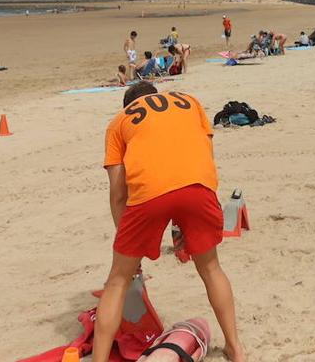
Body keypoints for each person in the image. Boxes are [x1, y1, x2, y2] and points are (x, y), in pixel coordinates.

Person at [92, 82, 244, 362]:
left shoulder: (119, 122)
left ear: (128, 104)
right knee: (211, 267)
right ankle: (235, 347)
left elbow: (118, 193)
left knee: (117, 281)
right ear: (156, 95)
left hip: (148, 194)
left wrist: (127, 245)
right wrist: (184, 221)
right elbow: (204, 156)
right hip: (200, 186)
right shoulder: (190, 102)